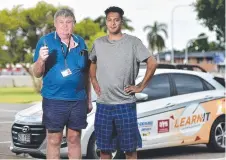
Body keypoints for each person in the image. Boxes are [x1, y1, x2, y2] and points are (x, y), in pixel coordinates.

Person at [89, 6, 158, 159]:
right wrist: (93, 79)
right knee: (104, 150)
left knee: (130, 150)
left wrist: (141, 86)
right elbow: (92, 62)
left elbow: (152, 63)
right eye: (109, 20)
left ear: (122, 22)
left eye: (116, 20)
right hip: (104, 105)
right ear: (106, 22)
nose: (113, 23)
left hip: (125, 104)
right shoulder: (98, 43)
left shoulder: (133, 42)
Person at [32, 8, 92, 159]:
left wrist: (89, 99)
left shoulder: (81, 42)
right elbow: (37, 73)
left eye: (68, 22)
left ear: (74, 24)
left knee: (74, 139)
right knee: (54, 139)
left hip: (78, 100)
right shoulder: (45, 41)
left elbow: (86, 73)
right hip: (54, 99)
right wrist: (41, 60)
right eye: (61, 22)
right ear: (55, 24)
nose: (65, 26)